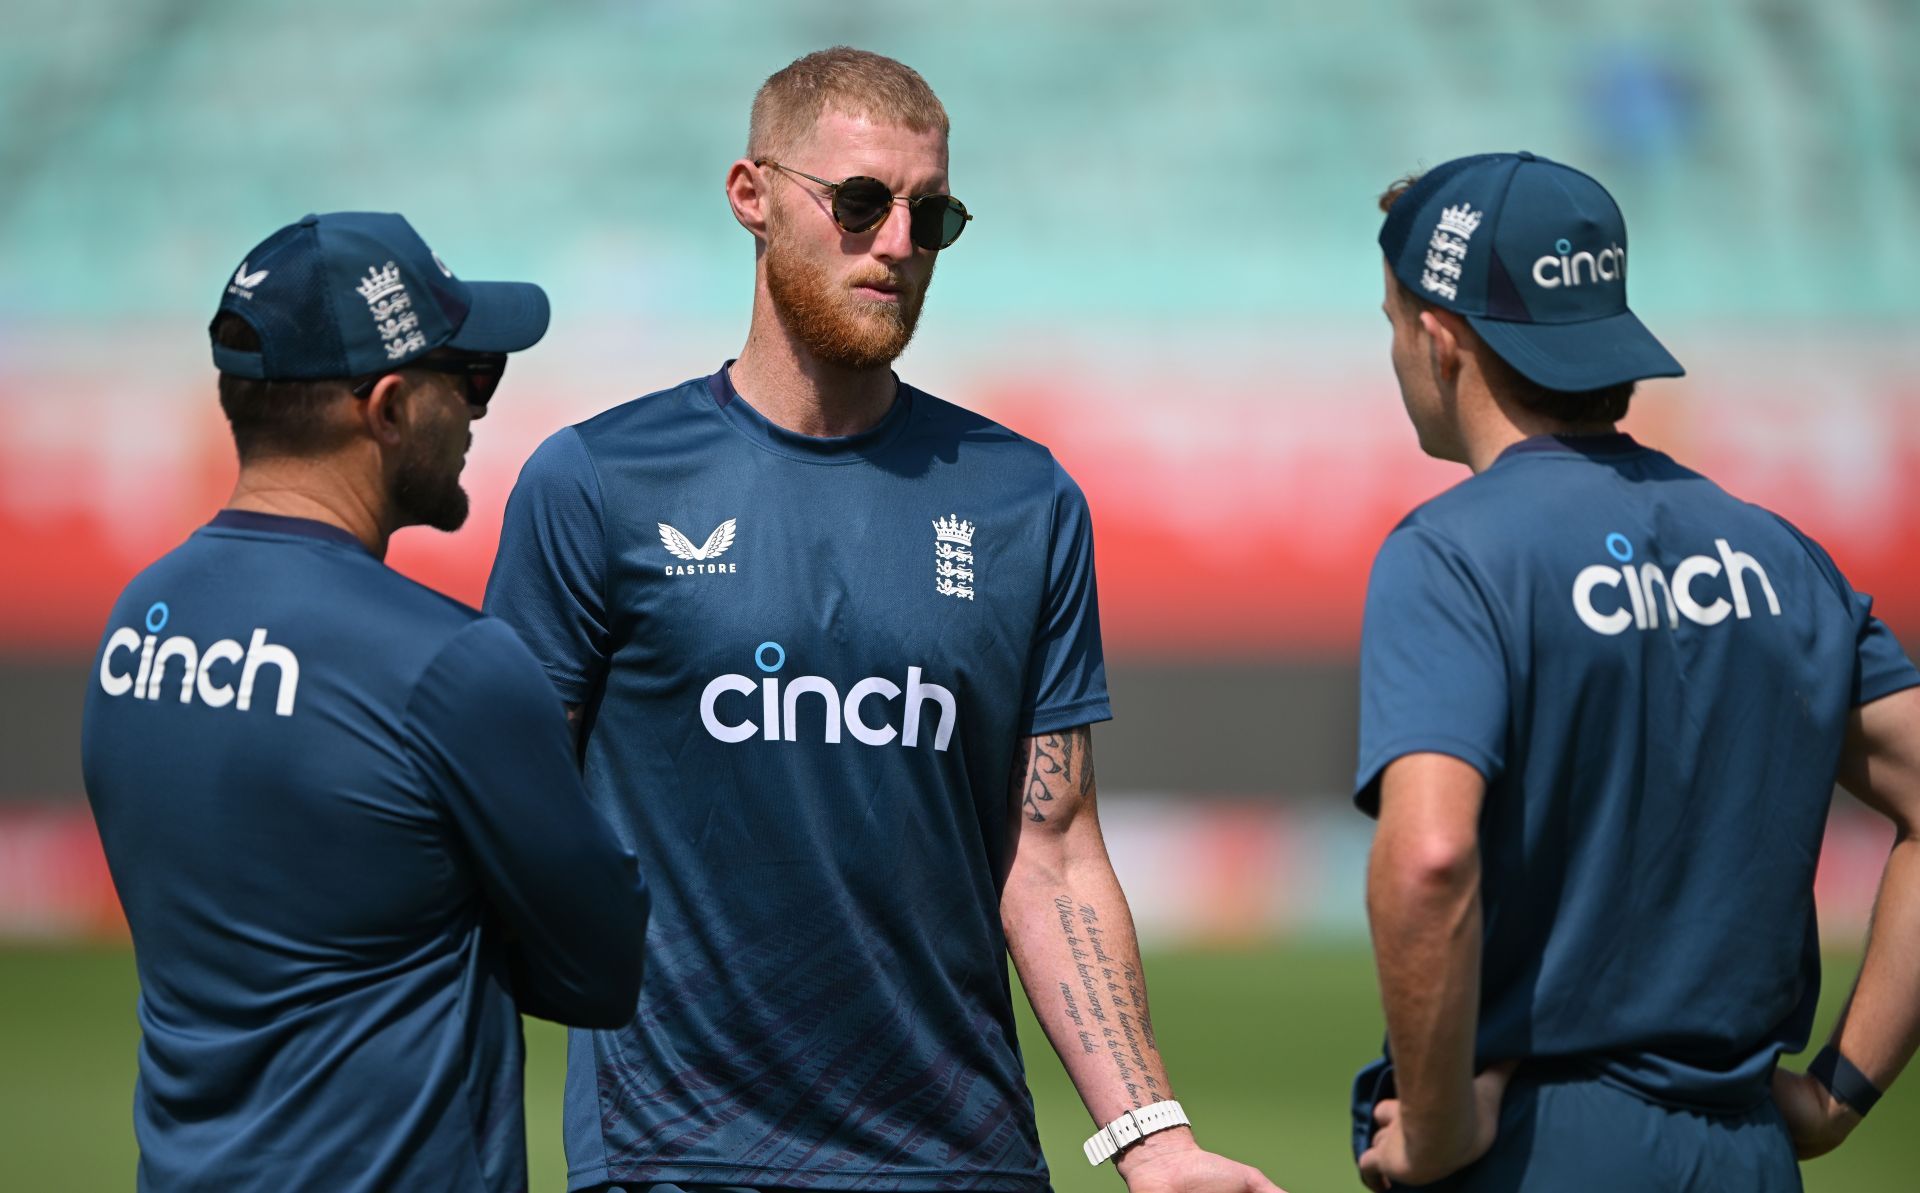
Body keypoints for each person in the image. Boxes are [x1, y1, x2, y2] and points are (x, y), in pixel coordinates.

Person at [486, 47, 1281, 1193]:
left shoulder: (1023, 498)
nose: (898, 244)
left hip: (964, 1162)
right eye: (860, 202)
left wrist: (1154, 1138)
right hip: (683, 1159)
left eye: (932, 214)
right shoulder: (599, 483)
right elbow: (500, 822)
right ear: (751, 196)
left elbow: (1049, 853)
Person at [1350, 151, 1920, 1191]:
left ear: (1441, 342)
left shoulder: (1452, 553)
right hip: (1747, 1148)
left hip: (1538, 1149)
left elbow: (1430, 857)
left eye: (1392, 323)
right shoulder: (1781, 553)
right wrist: (1841, 1091)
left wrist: (1432, 1127)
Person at [81, 211, 650, 1193]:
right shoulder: (452, 660)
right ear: (388, 407)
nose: (478, 408)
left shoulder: (140, 622)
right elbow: (601, 964)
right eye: (468, 375)